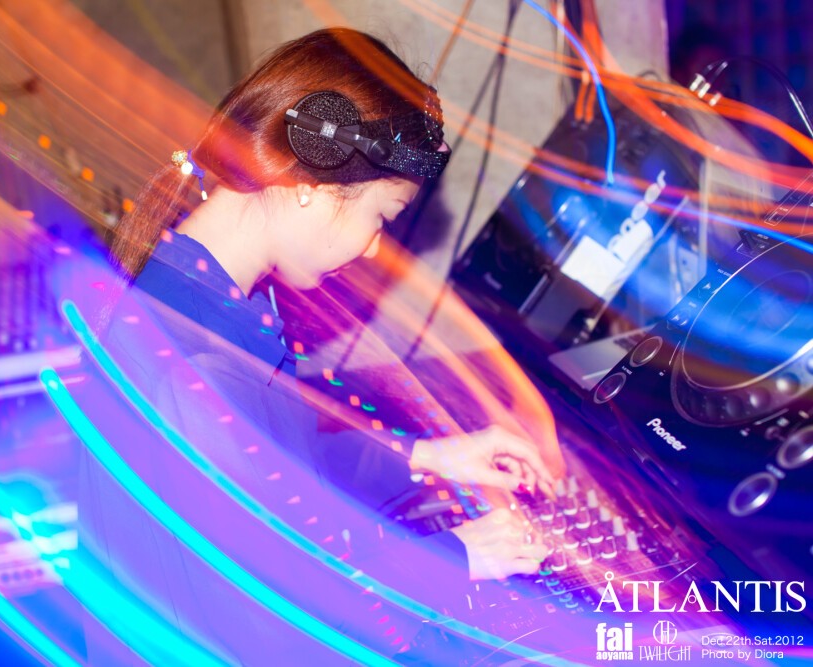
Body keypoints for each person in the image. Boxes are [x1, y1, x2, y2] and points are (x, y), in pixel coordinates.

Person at [76, 27, 561, 665]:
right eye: (381, 217)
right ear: (311, 183)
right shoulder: (198, 362)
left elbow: (282, 449)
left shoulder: (203, 291)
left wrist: (431, 456)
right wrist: (458, 556)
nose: (374, 249)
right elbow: (280, 605)